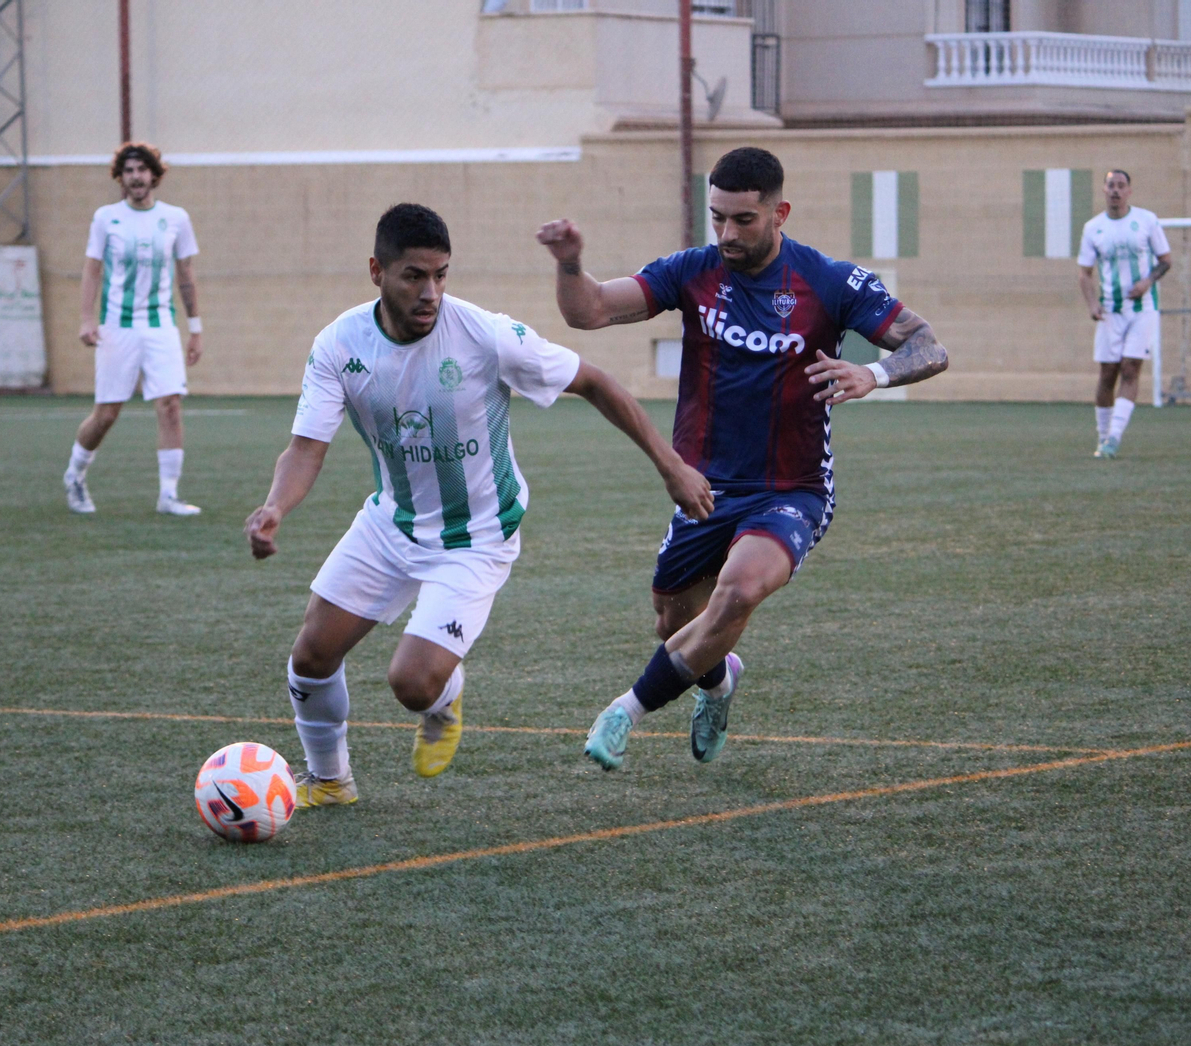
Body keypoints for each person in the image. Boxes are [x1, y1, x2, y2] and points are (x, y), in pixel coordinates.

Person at [244, 203, 710, 805]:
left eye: (441, 275)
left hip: (478, 535)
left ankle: (443, 698)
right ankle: (330, 780)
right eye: (414, 275)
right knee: (310, 655)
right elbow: (306, 448)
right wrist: (276, 506)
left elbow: (595, 382)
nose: (430, 291)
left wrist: (671, 467)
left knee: (411, 683)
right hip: (391, 523)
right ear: (376, 272)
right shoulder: (339, 344)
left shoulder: (485, 335)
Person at [536, 146, 948, 771]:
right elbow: (588, 311)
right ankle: (719, 683)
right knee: (673, 624)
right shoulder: (692, 272)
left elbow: (927, 344)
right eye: (717, 217)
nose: (726, 233)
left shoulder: (829, 281)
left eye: (743, 220)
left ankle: (625, 712)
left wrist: (875, 371)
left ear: (779, 212)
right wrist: (570, 264)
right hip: (704, 485)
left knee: (740, 589)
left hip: (794, 486)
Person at [63, 142, 204, 516]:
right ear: (120, 178)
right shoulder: (106, 218)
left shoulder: (175, 218)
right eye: (129, 171)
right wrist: (86, 319)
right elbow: (92, 270)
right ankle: (75, 475)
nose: (136, 177)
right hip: (117, 328)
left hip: (160, 326)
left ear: (154, 175)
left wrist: (195, 328)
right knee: (107, 413)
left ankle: (168, 496)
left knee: (170, 406)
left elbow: (185, 275)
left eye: (142, 170)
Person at [1077, 169, 1172, 458]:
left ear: (1129, 191)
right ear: (1104, 190)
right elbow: (1084, 272)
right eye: (1111, 186)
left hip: (1143, 310)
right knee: (1107, 374)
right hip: (1110, 311)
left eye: (1121, 185)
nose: (1116, 190)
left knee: (1131, 368)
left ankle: (1114, 440)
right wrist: (1092, 304)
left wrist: (1147, 282)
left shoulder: (1147, 221)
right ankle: (1102, 437)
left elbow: (1165, 261)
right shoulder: (1093, 227)